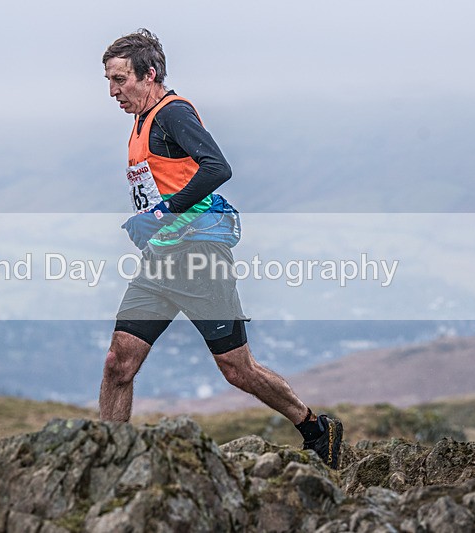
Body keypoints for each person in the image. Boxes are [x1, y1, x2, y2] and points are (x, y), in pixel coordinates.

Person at [99, 29, 343, 469]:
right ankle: (107, 461)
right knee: (119, 361)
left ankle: (315, 428)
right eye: (109, 82)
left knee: (236, 367)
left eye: (120, 80)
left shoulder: (173, 113)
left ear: (149, 74)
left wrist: (161, 214)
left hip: (200, 256)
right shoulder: (140, 121)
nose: (113, 91)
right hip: (160, 262)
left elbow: (218, 167)